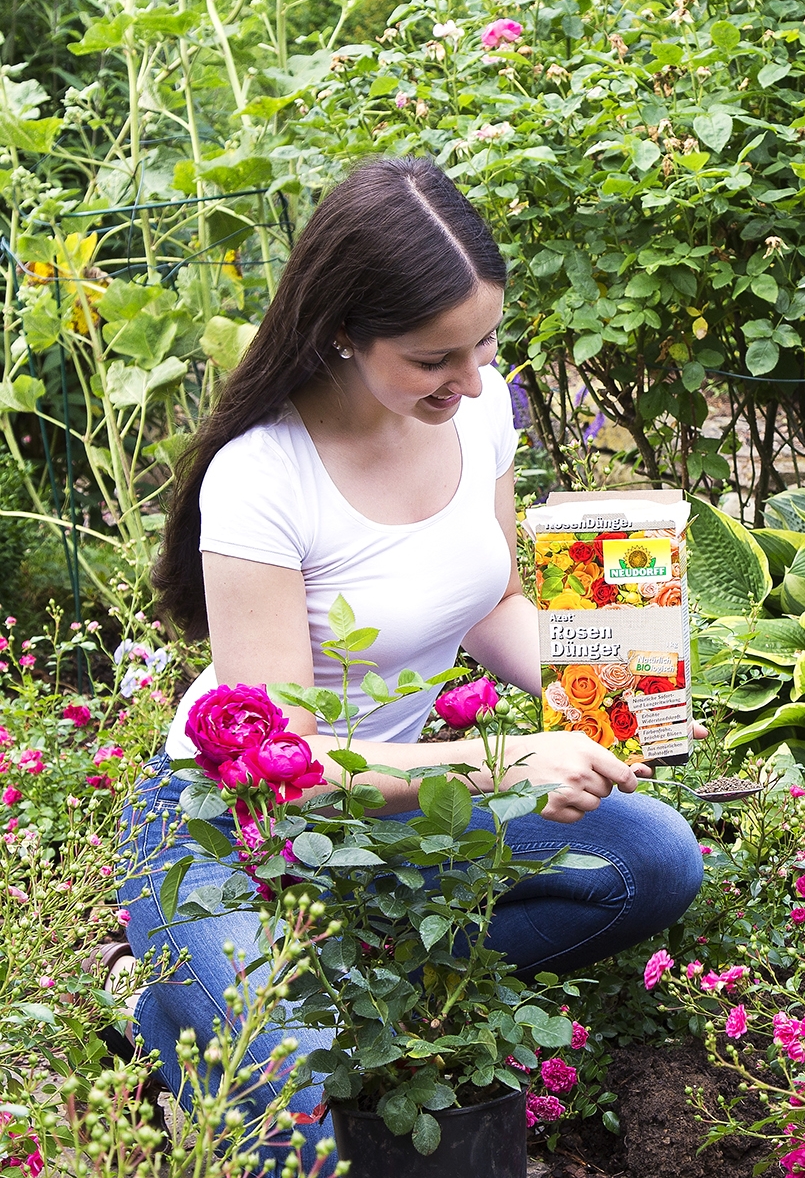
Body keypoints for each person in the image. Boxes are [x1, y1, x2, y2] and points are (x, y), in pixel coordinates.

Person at [120, 157, 704, 1168]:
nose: (474, 380)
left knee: (651, 860)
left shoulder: (474, 413)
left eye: (484, 341)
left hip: (385, 820)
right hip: (232, 837)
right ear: (343, 329)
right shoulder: (264, 475)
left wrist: (604, 702)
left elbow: (491, 599)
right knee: (285, 1104)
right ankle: (182, 1002)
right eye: (438, 356)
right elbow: (280, 771)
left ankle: (339, 978)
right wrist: (505, 764)